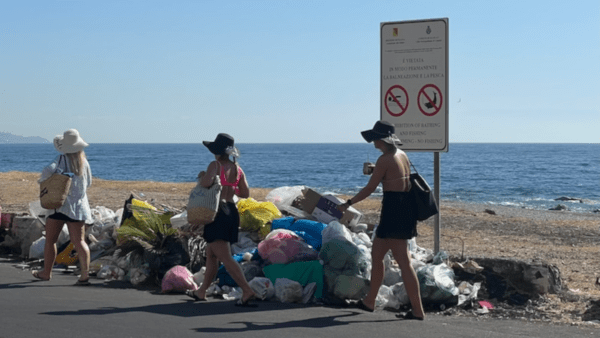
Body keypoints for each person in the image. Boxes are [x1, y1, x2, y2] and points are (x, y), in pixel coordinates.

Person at [337, 120, 425, 320]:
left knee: (403, 262)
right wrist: (376, 168)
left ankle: (418, 311)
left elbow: (369, 188)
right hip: (404, 210)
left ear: (381, 140)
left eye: (375, 138)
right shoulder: (401, 155)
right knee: (377, 255)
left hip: (393, 212)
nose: (373, 143)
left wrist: (347, 203)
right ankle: (370, 301)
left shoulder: (385, 160)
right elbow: (394, 175)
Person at [186, 133, 257, 306]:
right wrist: (230, 188)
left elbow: (205, 183)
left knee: (225, 256)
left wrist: (204, 176)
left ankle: (247, 291)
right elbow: (245, 193)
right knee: (211, 255)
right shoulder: (238, 169)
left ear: (216, 151)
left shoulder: (215, 165)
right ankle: (201, 292)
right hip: (231, 212)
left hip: (216, 212)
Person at [32, 129, 93, 286]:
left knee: (51, 240)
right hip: (78, 207)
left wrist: (46, 181)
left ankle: (46, 272)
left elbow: (46, 172)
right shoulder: (84, 163)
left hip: (59, 206)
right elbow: (89, 183)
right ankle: (85, 274)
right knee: (79, 241)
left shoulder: (60, 160)